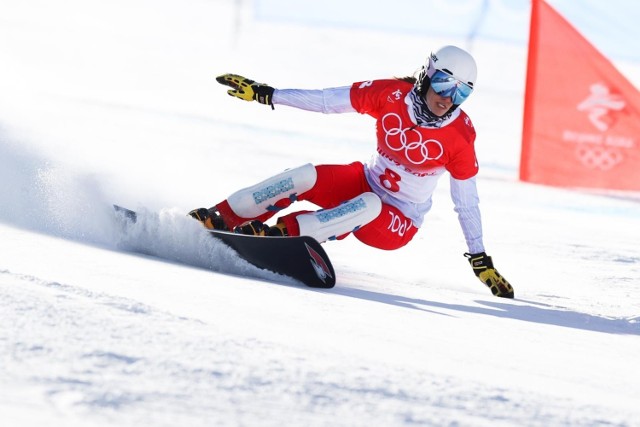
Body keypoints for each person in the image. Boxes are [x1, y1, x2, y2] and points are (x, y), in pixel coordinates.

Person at [190, 45, 514, 298]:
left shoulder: (460, 135)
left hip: (398, 221)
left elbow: (466, 202)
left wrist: (479, 257)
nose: (448, 98)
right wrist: (270, 94)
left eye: (462, 92)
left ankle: (279, 237)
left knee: (370, 206)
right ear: (428, 75)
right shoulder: (390, 94)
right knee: (305, 175)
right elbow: (327, 101)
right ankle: (220, 217)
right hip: (364, 181)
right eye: (445, 83)